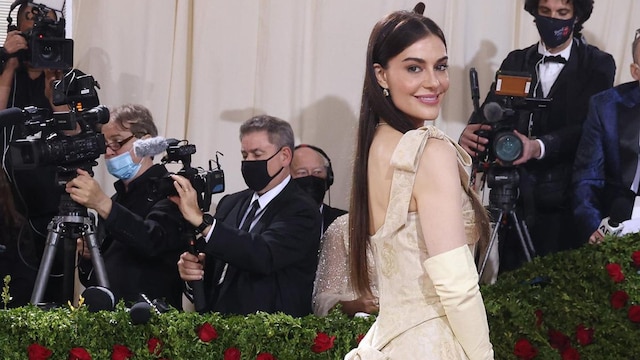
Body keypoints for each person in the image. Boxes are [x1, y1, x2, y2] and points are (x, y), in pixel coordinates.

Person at [344, 7, 494, 359]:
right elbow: (457, 287)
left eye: (440, 66)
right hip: (435, 343)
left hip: (390, 341)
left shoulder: (376, 145)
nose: (434, 82)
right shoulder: (429, 151)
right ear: (381, 75)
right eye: (414, 68)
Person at [458, 0, 615, 271]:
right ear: (534, 12)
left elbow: (588, 129)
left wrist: (538, 147)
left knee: (559, 289)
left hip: (568, 202)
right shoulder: (516, 60)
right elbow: (489, 113)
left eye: (562, 13)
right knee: (512, 286)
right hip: (514, 197)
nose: (553, 19)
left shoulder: (598, 64)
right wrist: (470, 135)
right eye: (546, 12)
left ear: (576, 16)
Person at [172, 115, 321, 317]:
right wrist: (194, 271)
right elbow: (221, 259)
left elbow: (263, 254)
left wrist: (203, 221)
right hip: (219, 330)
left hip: (271, 336)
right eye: (244, 155)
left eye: (257, 154)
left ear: (285, 156)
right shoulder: (231, 203)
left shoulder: (301, 209)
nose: (249, 162)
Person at [66, 104, 187, 309]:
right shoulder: (116, 199)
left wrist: (102, 204)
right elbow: (96, 280)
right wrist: (87, 256)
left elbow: (152, 241)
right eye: (104, 145)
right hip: (111, 321)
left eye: (117, 142)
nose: (109, 152)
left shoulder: (173, 190)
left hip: (151, 322)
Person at [0, 0, 76, 305]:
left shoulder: (66, 76)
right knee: (13, 293)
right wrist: (7, 64)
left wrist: (54, 91)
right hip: (8, 210)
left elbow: (75, 135)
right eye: (31, 30)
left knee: (55, 296)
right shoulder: (6, 71)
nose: (38, 41)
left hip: (53, 206)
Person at [573, 30, 640, 244]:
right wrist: (594, 227)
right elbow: (588, 176)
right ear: (636, 71)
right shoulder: (606, 106)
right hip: (621, 225)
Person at [312, 213, 379, 317]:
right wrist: (353, 306)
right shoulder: (342, 228)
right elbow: (321, 302)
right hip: (361, 326)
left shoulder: (408, 227)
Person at [291, 144, 347, 232]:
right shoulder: (272, 220)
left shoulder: (345, 222)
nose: (311, 177)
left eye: (317, 172)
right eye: (302, 172)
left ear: (329, 178)